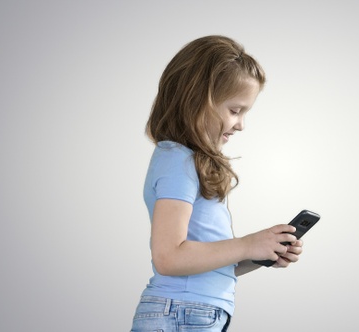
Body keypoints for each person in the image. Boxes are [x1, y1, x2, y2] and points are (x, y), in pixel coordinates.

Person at [130, 35, 304, 332]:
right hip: (180, 313)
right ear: (197, 100)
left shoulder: (188, 162)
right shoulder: (177, 161)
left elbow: (208, 264)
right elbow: (169, 257)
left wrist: (259, 253)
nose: (241, 124)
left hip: (189, 312)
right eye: (235, 110)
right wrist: (247, 243)